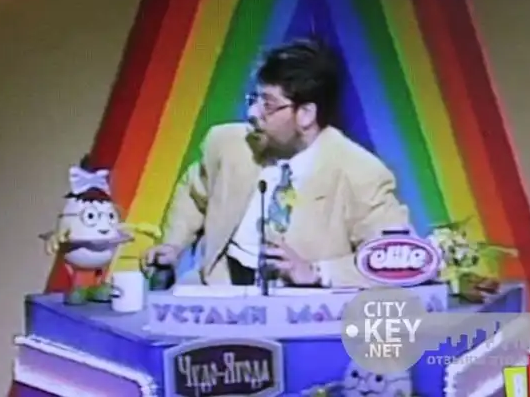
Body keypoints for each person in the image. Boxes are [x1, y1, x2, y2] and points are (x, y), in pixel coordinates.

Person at [141, 38, 411, 287]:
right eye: (254, 99)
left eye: (268, 105)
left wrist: (317, 272)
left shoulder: (361, 173)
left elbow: (397, 259)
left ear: (306, 114)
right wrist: (173, 246)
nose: (252, 113)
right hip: (220, 290)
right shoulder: (226, 144)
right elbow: (194, 194)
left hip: (302, 308)